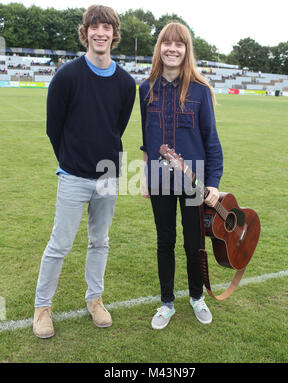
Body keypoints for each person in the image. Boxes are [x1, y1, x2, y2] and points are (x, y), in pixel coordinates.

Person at [33, 4, 136, 338]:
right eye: (95, 27)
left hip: (108, 176)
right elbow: (54, 127)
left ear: (114, 34)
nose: (101, 33)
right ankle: (42, 308)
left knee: (99, 242)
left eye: (107, 27)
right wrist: (71, 161)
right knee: (60, 244)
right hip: (73, 175)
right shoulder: (67, 75)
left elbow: (116, 127)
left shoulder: (125, 82)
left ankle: (95, 300)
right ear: (86, 32)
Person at [139, 22, 223, 330]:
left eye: (179, 44)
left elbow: (211, 141)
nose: (172, 49)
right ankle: (166, 303)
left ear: (186, 50)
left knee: (193, 243)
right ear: (159, 48)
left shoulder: (200, 91)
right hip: (159, 179)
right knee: (165, 241)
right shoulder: (145, 88)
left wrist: (212, 184)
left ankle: (196, 297)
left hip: (194, 181)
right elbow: (147, 139)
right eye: (167, 43)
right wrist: (146, 177)